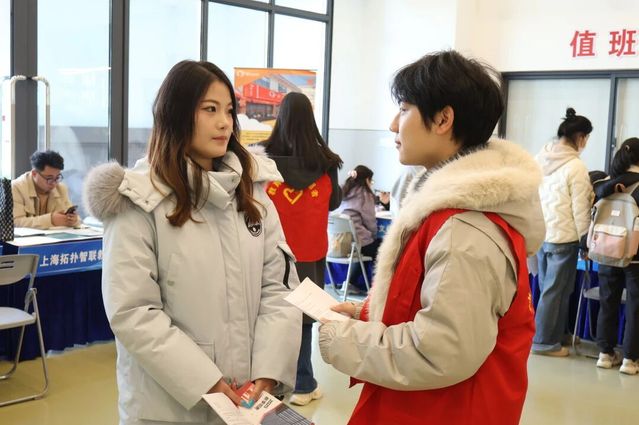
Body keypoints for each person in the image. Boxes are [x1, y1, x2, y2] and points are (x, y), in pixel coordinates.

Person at [317, 50, 545, 425]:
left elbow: (441, 350)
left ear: (442, 119)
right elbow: (436, 304)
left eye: (404, 109)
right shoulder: (448, 213)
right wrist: (366, 313)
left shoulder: (464, 230)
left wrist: (342, 339)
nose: (393, 125)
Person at [83, 60, 302, 425]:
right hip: (166, 409)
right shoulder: (138, 200)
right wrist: (208, 382)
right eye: (209, 109)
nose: (225, 123)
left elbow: (278, 290)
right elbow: (133, 311)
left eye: (229, 111)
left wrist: (268, 374)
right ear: (176, 113)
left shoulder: (254, 194)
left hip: (247, 401)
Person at [260, 91, 343, 406]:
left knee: (267, 314)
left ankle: (266, 382)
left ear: (279, 118)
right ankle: (304, 384)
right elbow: (333, 202)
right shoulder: (326, 162)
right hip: (309, 253)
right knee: (305, 316)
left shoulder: (262, 158)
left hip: (269, 252)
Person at [532, 107, 594, 357]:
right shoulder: (575, 167)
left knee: (552, 289)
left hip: (542, 234)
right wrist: (585, 239)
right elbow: (580, 208)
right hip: (564, 237)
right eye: (586, 138)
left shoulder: (541, 157)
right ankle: (544, 342)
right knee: (556, 291)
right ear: (580, 137)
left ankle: (557, 335)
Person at [592, 137, 639, 375]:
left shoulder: (606, 184)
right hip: (635, 255)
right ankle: (630, 359)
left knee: (607, 302)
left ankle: (605, 354)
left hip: (606, 249)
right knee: (635, 307)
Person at [333, 165, 380, 287]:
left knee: (363, 250)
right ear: (367, 179)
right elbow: (370, 221)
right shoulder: (365, 195)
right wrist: (373, 235)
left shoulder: (343, 191)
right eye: (371, 181)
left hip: (338, 243)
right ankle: (377, 286)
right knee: (380, 247)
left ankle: (350, 283)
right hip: (357, 242)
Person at [12, 150, 80, 229]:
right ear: (34, 173)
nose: (54, 183)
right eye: (49, 178)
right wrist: (50, 220)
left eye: (57, 178)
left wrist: (73, 220)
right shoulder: (16, 188)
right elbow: (15, 222)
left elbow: (77, 219)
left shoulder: (61, 189)